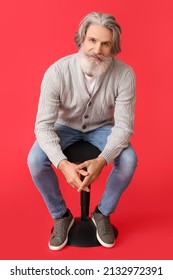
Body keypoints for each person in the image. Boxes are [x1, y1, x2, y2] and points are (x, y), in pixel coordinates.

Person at [27, 11, 138, 251]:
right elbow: (43, 126)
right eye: (92, 40)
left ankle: (103, 213)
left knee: (129, 160)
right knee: (35, 160)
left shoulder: (125, 74)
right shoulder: (57, 72)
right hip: (64, 127)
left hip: (102, 128)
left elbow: (124, 127)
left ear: (114, 47)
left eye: (105, 44)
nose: (97, 49)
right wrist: (62, 164)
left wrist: (102, 160)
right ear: (82, 40)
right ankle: (61, 215)